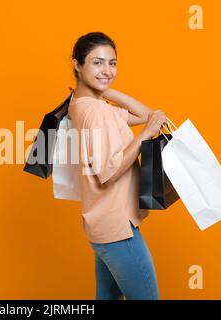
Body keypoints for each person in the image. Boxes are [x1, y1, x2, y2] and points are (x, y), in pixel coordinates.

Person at [67, 32, 167, 300]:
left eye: (112, 63)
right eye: (97, 63)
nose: (107, 70)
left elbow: (148, 114)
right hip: (117, 228)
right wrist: (145, 135)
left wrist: (104, 88)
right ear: (77, 64)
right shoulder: (97, 112)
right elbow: (107, 174)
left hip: (101, 225)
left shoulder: (82, 105)